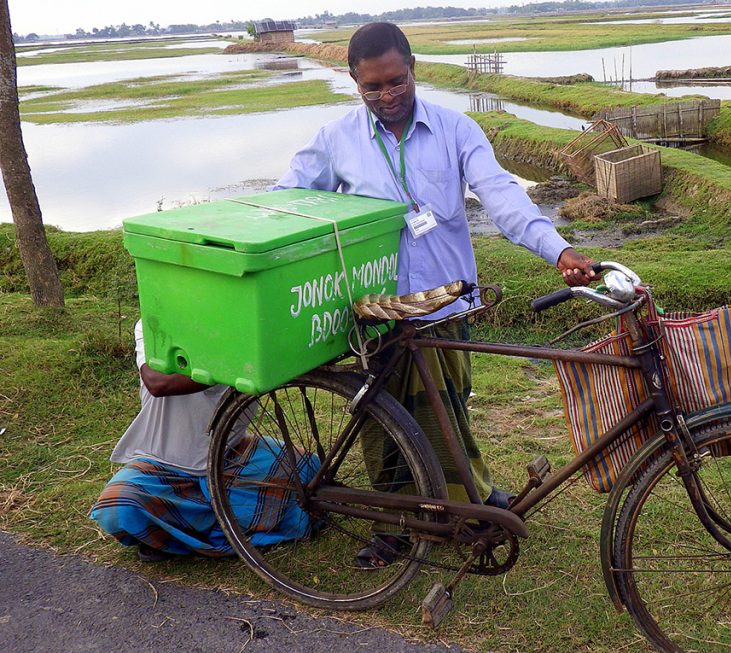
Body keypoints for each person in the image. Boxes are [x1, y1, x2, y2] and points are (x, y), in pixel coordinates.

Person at [273, 22, 596, 568]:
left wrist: (557, 250)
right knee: (383, 420)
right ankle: (393, 527)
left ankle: (465, 495)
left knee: (447, 410)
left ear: (413, 68)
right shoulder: (335, 140)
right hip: (374, 312)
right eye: (372, 87)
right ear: (354, 81)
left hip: (445, 304)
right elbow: (289, 201)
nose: (386, 96)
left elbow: (501, 195)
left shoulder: (455, 129)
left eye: (396, 81)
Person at [90, 320, 319, 562]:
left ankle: (188, 527)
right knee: (117, 507)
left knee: (311, 472)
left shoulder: (250, 327)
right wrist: (242, 367)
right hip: (160, 466)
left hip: (228, 456)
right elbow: (157, 382)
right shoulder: (154, 324)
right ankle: (226, 525)